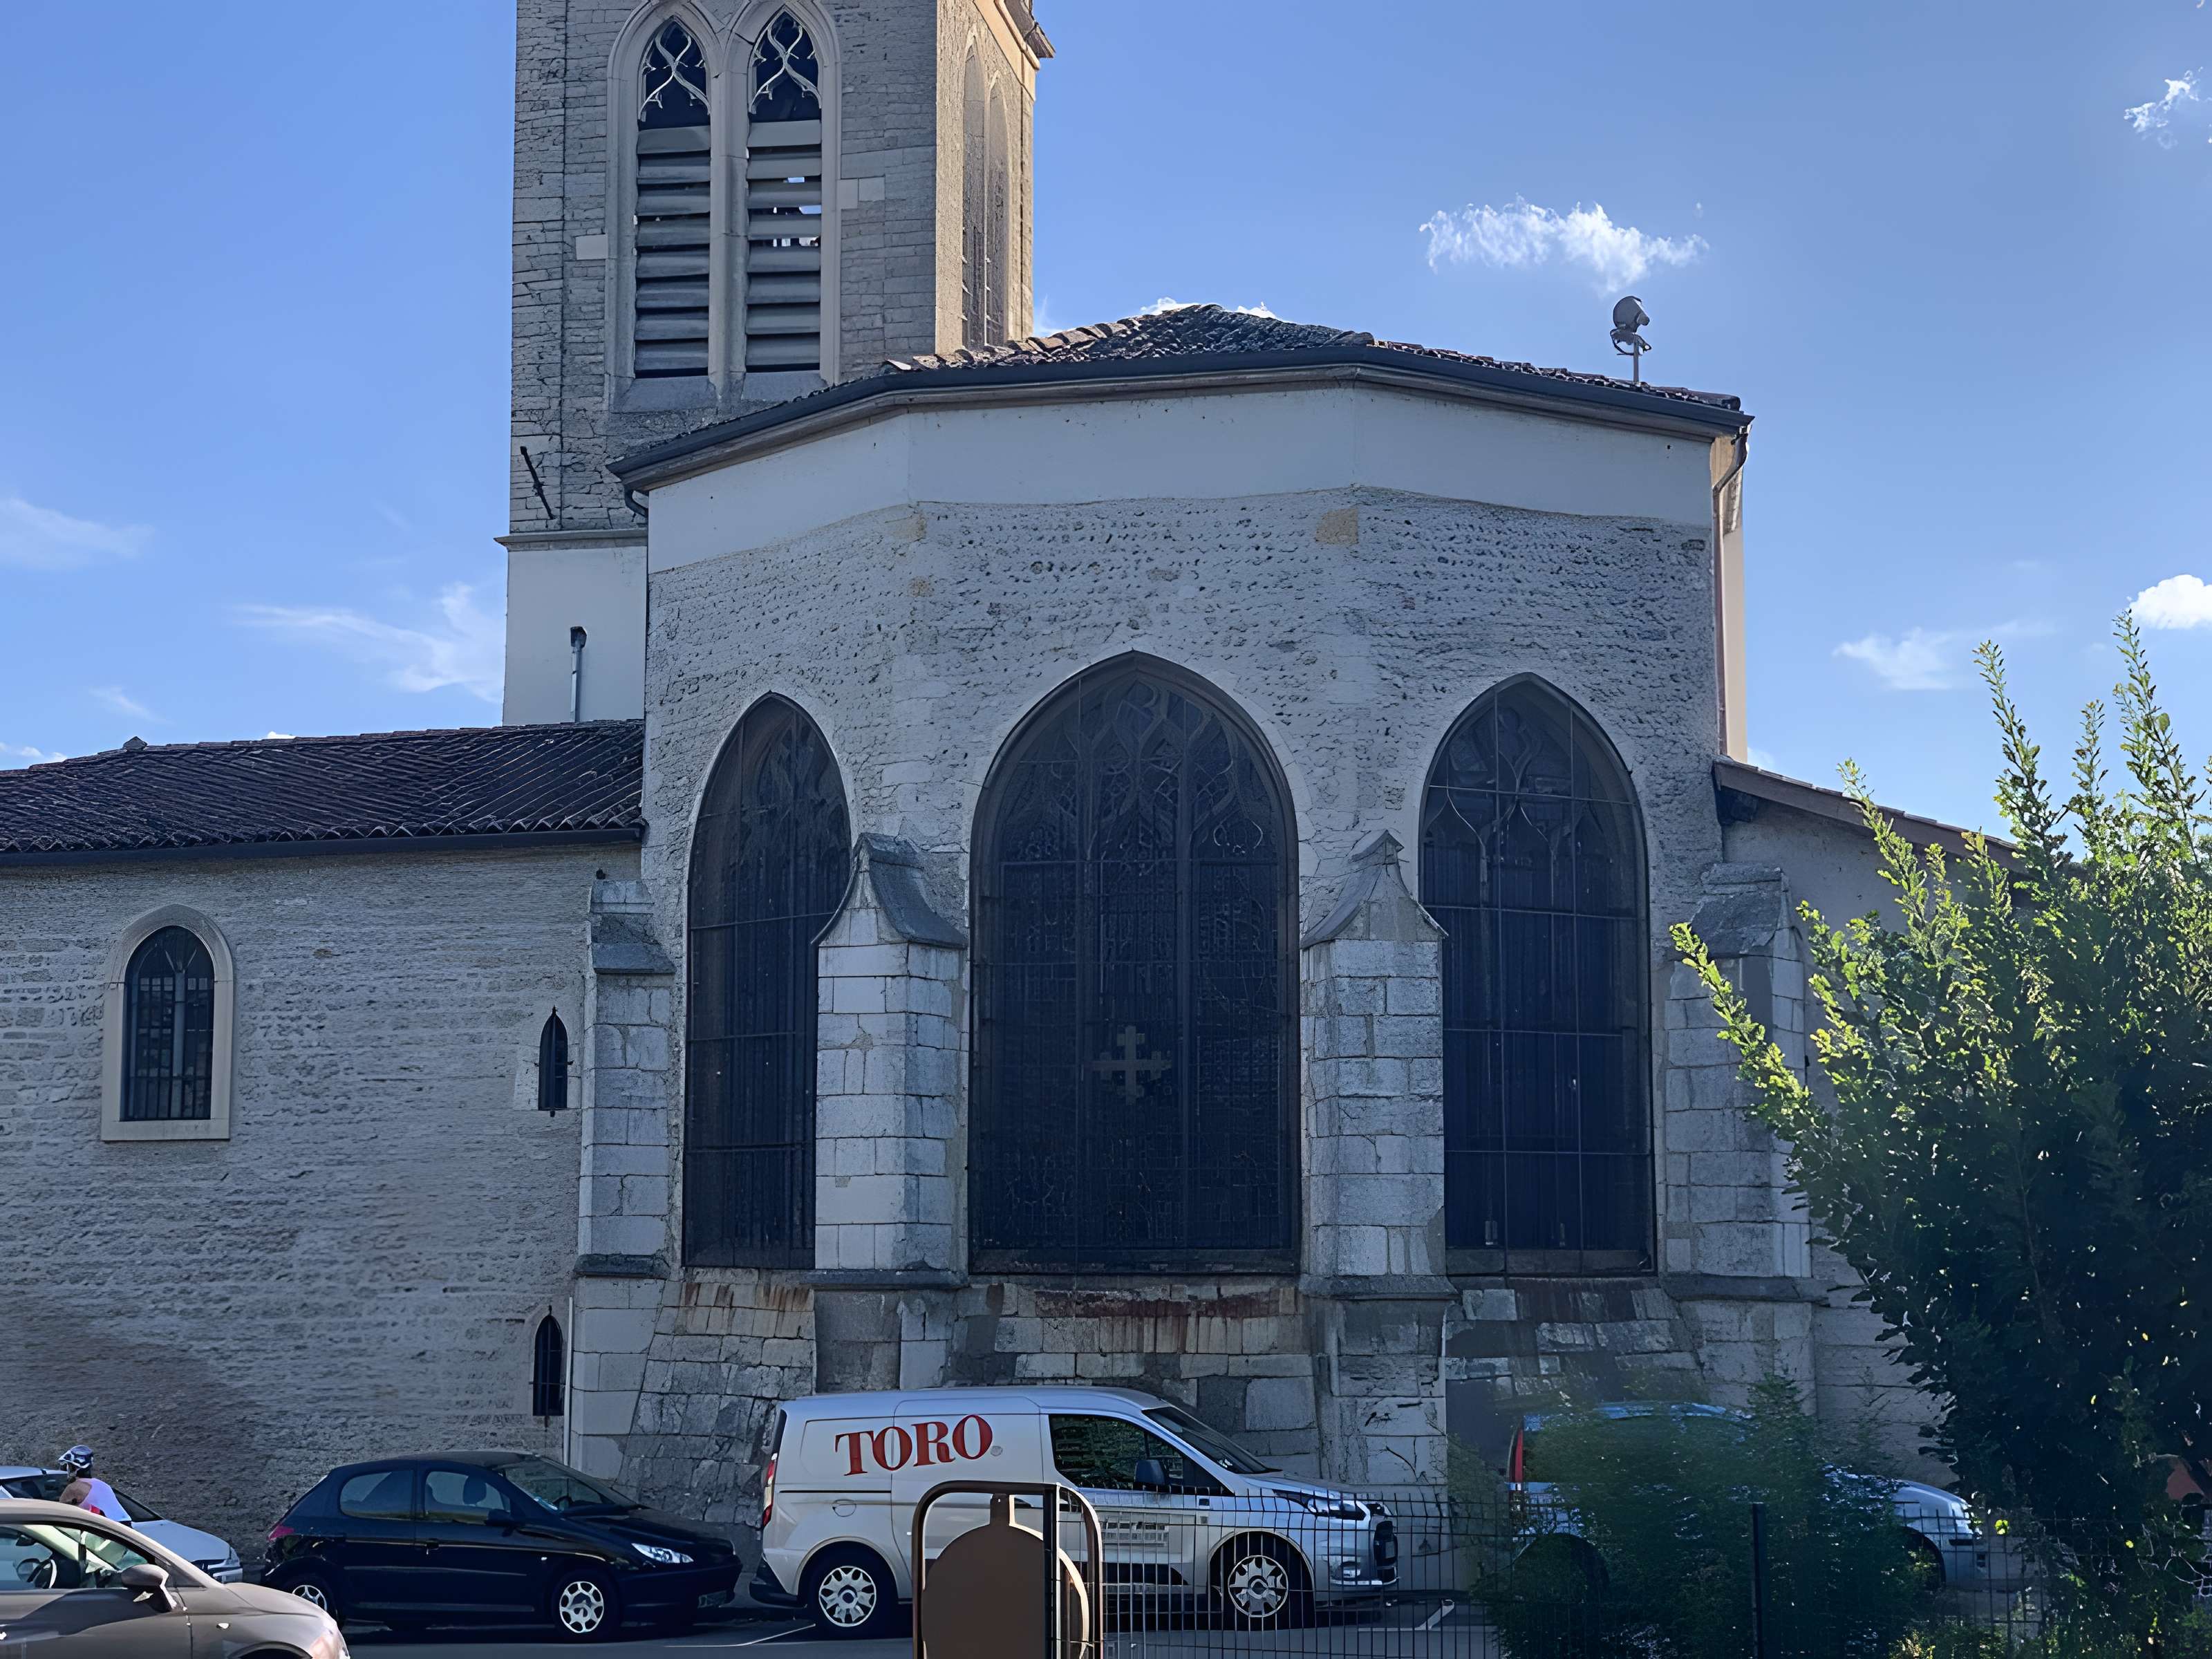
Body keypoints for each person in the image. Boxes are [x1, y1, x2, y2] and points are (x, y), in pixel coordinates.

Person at [55, 1447, 130, 1526]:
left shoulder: (74, 1488)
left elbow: (58, 1512)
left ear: (73, 1468)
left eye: (68, 1465)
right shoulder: (102, 1484)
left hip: (107, 1529)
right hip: (126, 1528)